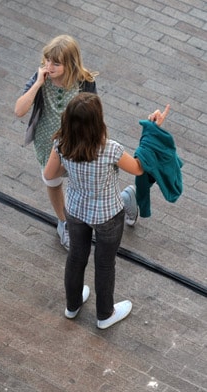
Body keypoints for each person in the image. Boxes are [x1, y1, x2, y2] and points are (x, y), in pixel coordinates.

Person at [43, 93, 170, 329]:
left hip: (76, 210)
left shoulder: (61, 144)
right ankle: (104, 314)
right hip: (108, 215)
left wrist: (71, 169)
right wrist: (152, 130)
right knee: (104, 264)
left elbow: (50, 175)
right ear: (97, 122)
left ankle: (72, 306)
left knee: (76, 257)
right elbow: (138, 168)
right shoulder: (110, 149)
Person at [14, 35, 98, 250]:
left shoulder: (84, 82)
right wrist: (38, 85)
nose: (49, 66)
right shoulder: (41, 78)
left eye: (56, 63)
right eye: (47, 60)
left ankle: (86, 216)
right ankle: (64, 222)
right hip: (47, 143)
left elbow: (93, 114)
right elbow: (19, 110)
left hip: (76, 142)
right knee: (52, 181)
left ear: (69, 63)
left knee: (82, 182)